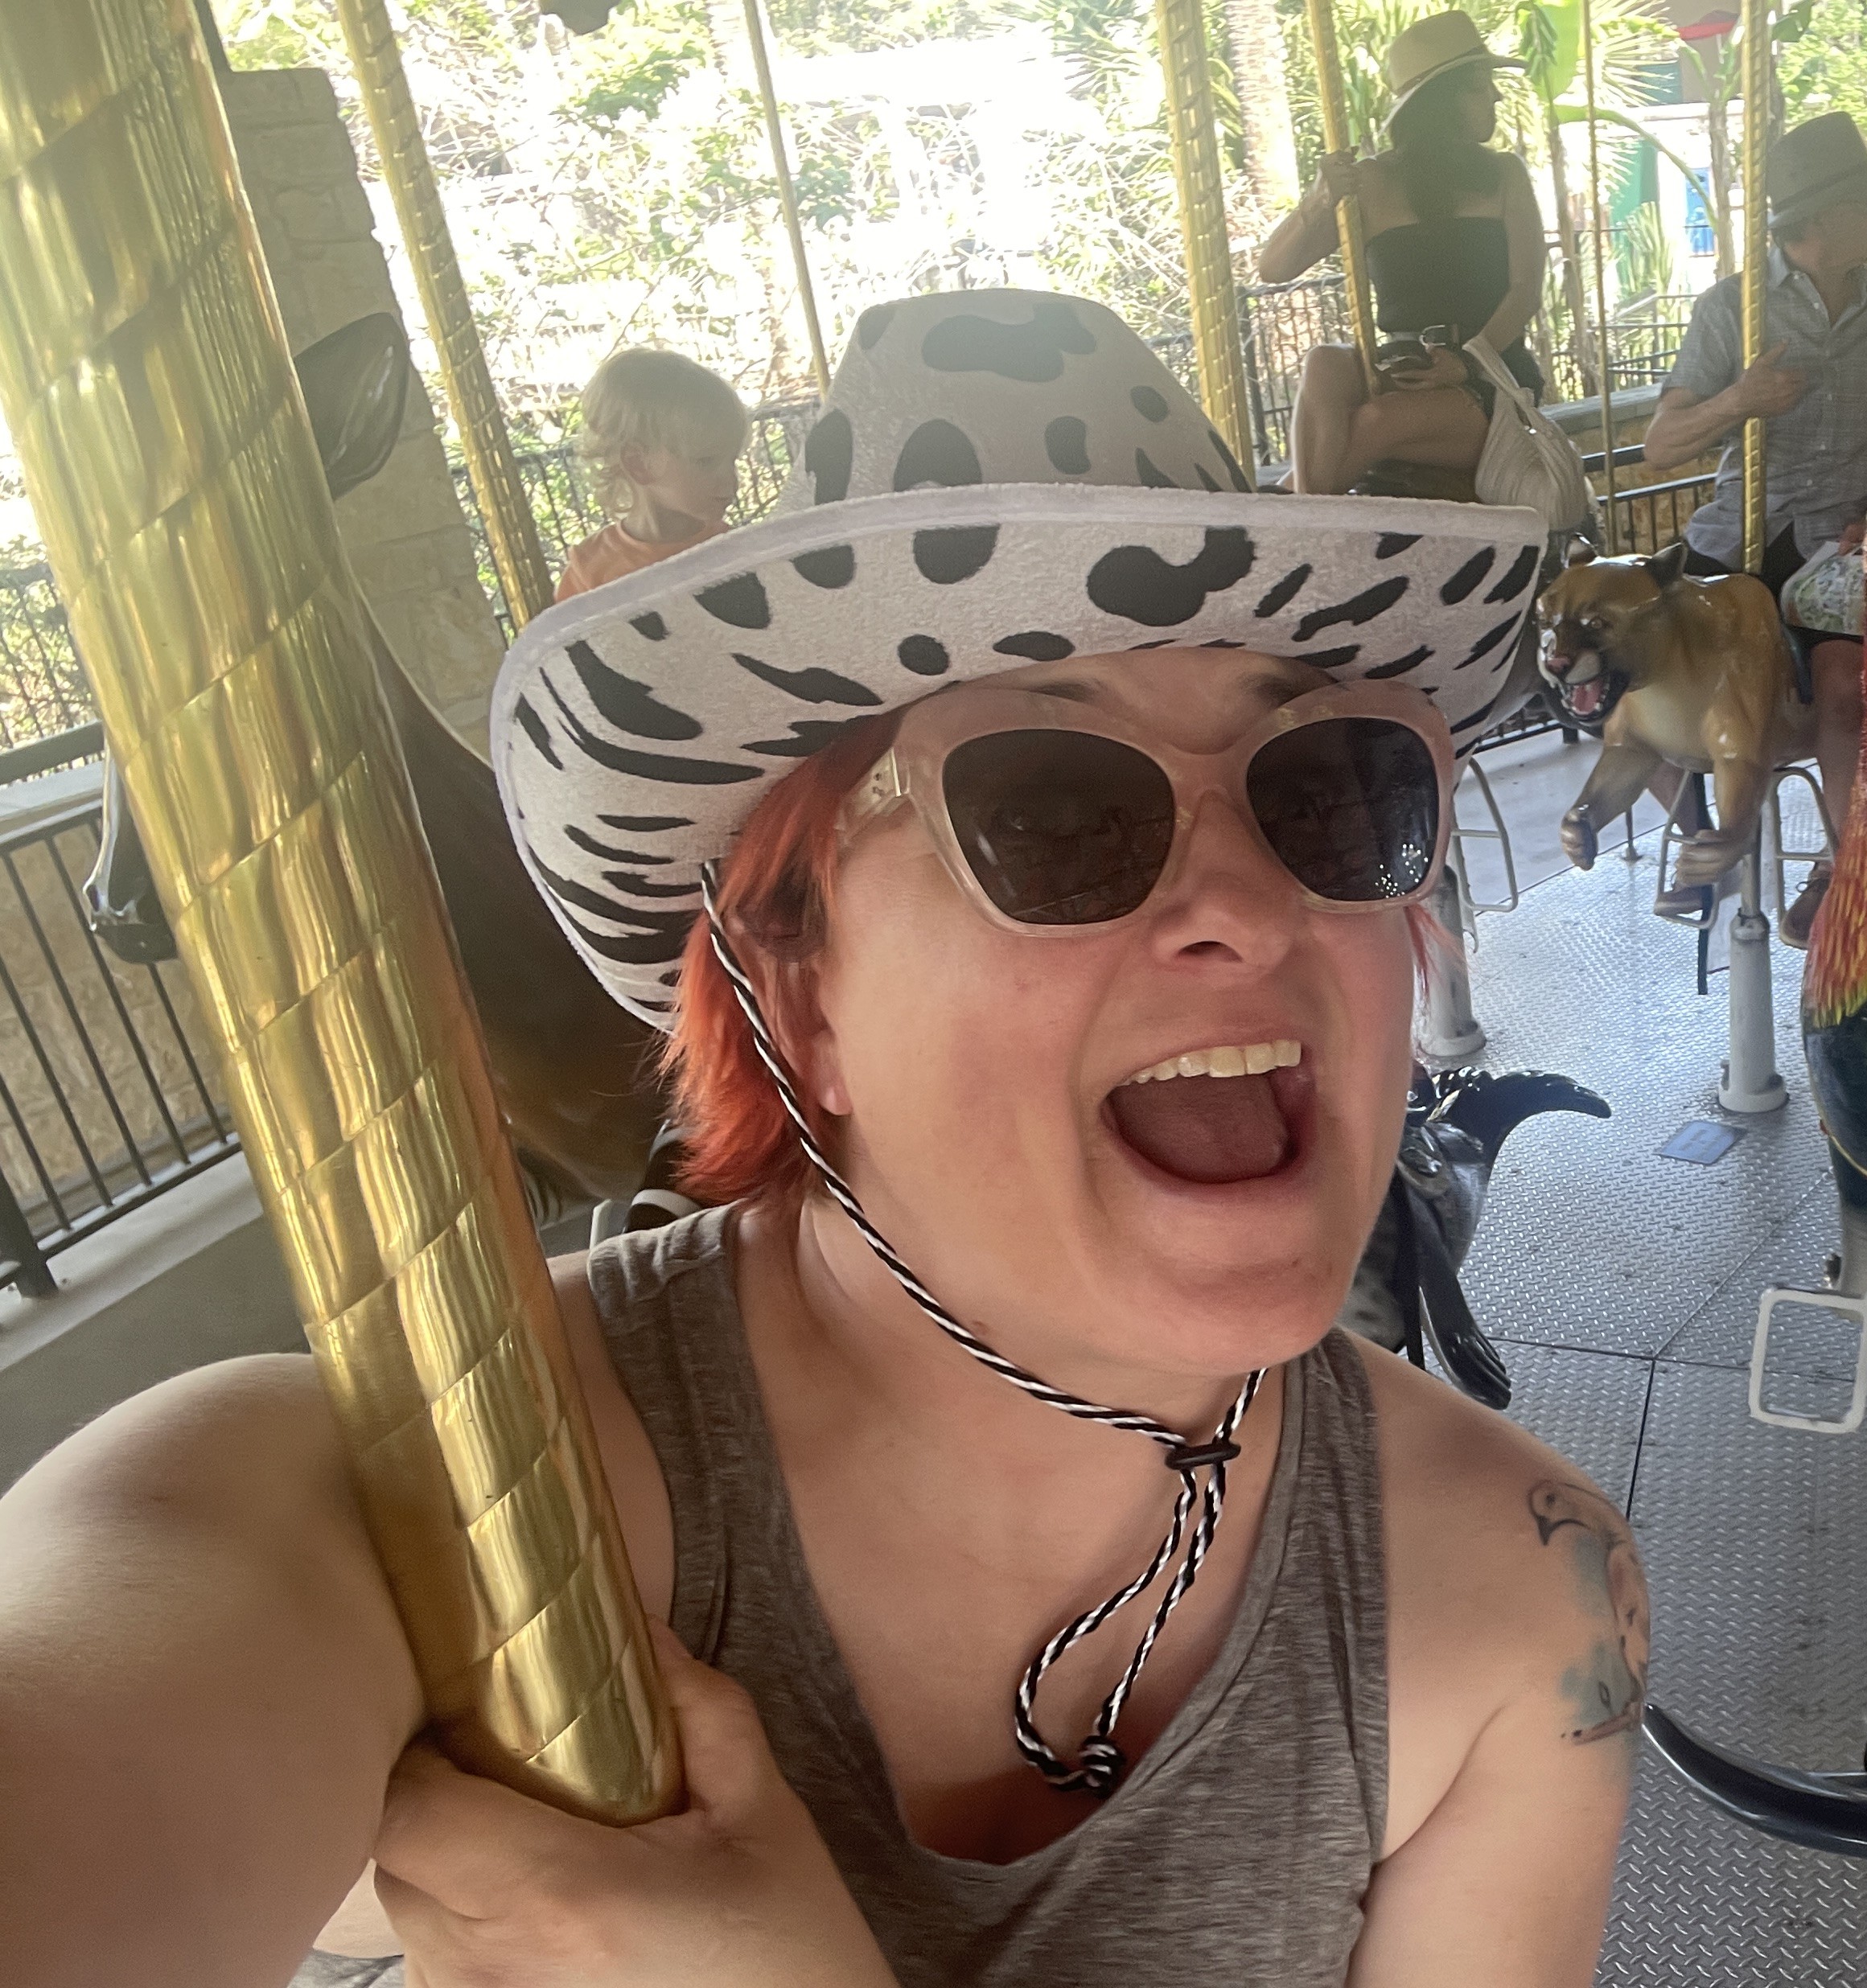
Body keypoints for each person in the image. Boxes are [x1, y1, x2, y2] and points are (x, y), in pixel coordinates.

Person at [3, 292, 1643, 1988]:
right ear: (797, 993)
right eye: (1054, 810)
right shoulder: (454, 1510)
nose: (1239, 902)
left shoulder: (1512, 1604)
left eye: (1328, 788)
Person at [1643, 111, 1867, 945]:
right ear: (1818, 219)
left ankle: (1844, 883)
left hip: (1834, 546)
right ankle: (1701, 833)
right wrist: (1738, 400)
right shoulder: (1729, 308)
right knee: (1628, 669)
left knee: (1847, 689)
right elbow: (1658, 444)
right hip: (1738, 533)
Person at [1256, 10, 1548, 495]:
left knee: (1375, 420)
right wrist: (1319, 199)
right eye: (1480, 86)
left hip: (1490, 375)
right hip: (1406, 363)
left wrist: (1469, 361)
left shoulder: (1504, 174)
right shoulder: (1370, 181)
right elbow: (1274, 268)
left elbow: (1525, 291)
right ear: (1443, 101)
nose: (1496, 95)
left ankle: (1291, 509)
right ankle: (1301, 510)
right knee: (1324, 364)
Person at [553, 347, 748, 602]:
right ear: (639, 464)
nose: (732, 481)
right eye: (706, 461)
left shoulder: (738, 553)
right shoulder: (590, 571)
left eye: (732, 461)